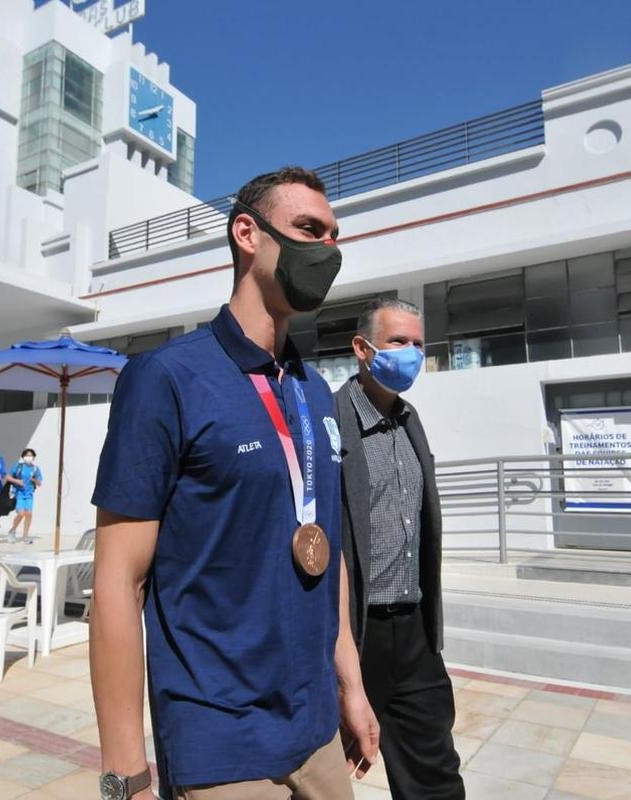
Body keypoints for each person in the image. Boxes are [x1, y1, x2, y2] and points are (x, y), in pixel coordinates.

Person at [91, 166, 379, 800]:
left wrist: (351, 685)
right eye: (309, 230)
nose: (325, 251)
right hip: (220, 741)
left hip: (316, 731)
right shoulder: (164, 377)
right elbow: (118, 579)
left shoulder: (315, 392)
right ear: (247, 233)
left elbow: (326, 555)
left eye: (333, 237)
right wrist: (125, 774)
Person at [335, 298, 464, 799]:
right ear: (362, 348)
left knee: (435, 776)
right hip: (352, 634)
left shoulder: (410, 420)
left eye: (417, 343)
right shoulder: (329, 423)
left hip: (412, 632)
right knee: (325, 774)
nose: (410, 353)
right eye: (397, 342)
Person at [6, 449, 42, 545]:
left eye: (31, 456)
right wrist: (17, 481)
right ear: (23, 457)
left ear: (34, 457)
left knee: (29, 514)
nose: (29, 457)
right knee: (21, 513)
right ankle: (12, 531)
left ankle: (25, 535)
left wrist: (34, 480)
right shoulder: (18, 467)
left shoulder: (35, 469)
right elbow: (8, 477)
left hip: (29, 495)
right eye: (27, 455)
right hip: (19, 494)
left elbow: (39, 483)